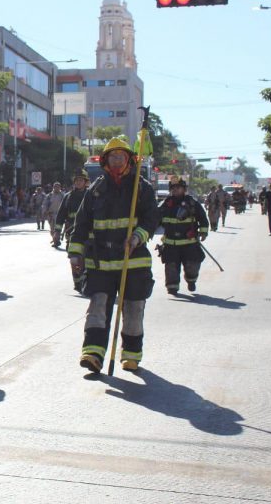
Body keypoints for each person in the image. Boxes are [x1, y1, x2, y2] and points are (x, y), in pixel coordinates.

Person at [68, 138, 159, 374]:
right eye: (112, 156)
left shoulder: (142, 188)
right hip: (101, 261)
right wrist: (75, 255)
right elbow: (81, 224)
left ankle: (130, 354)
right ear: (106, 161)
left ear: (130, 159)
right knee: (98, 307)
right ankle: (93, 353)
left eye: (121, 156)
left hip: (133, 261)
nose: (117, 160)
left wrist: (138, 236)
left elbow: (152, 219)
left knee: (133, 308)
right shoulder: (95, 191)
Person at [157, 177, 209, 295]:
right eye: (173, 188)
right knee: (171, 266)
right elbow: (156, 218)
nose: (175, 190)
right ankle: (172, 287)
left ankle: (191, 280)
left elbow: (203, 218)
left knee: (192, 265)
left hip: (189, 243)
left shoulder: (192, 203)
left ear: (184, 189)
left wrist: (203, 231)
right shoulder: (165, 204)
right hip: (170, 243)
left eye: (178, 188)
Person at [54, 169, 89, 292]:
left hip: (87, 233)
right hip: (72, 233)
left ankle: (85, 281)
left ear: (85, 182)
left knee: (86, 259)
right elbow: (60, 215)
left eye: (81, 180)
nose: (78, 182)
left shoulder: (90, 195)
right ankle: (77, 282)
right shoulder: (68, 197)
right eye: (77, 180)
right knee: (74, 260)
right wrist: (57, 232)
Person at [43, 182, 65, 247]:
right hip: (51, 215)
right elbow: (44, 204)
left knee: (58, 228)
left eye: (58, 187)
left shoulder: (63, 195)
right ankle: (55, 239)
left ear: (60, 187)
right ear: (53, 187)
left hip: (59, 215)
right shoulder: (49, 195)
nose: (56, 188)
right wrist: (45, 211)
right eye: (55, 187)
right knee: (52, 229)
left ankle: (56, 241)